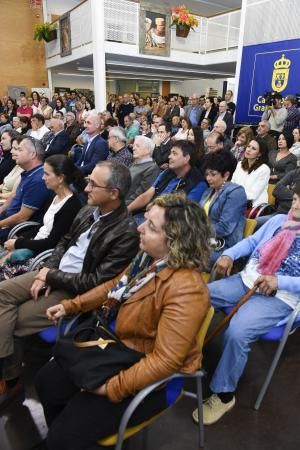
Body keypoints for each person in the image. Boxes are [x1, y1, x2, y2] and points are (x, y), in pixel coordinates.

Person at [35, 192, 211, 450]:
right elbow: (113, 286)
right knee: (46, 383)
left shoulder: (187, 290)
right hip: (116, 345)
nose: (140, 227)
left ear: (175, 242)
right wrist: (71, 306)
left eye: (150, 226)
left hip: (144, 370)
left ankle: (62, 440)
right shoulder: (148, 259)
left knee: (66, 434)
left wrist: (113, 388)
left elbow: (165, 361)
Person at [0, 160, 140, 406]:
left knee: (15, 320)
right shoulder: (89, 210)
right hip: (54, 274)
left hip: (73, 292)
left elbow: (95, 283)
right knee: (2, 295)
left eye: (93, 184)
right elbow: (64, 242)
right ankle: (10, 375)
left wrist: (52, 277)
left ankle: (11, 382)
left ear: (113, 193)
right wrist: (47, 271)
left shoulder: (126, 232)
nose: (86, 188)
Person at [193, 183, 300, 426]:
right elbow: (251, 244)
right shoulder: (279, 220)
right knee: (196, 295)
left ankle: (224, 394)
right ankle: (186, 351)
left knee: (238, 332)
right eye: (295, 198)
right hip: (246, 280)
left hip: (279, 298)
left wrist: (279, 280)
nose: (295, 205)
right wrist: (229, 254)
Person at [0, 155, 85, 278]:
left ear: (60, 178)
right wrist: (21, 238)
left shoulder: (72, 206)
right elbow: (42, 226)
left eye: (46, 174)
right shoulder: (54, 196)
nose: (43, 178)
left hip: (40, 256)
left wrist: (19, 243)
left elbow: (52, 242)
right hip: (32, 245)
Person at [128, 140, 207, 220]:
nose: (169, 156)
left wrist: (151, 217)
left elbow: (180, 215)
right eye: (170, 153)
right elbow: (147, 195)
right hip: (149, 214)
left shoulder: (197, 184)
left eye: (174, 153)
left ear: (186, 158)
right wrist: (127, 210)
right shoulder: (168, 172)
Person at [0, 136, 52, 243]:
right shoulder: (29, 172)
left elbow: (22, 217)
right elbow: (14, 196)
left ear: (32, 155)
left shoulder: (38, 179)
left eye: (20, 150)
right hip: (7, 221)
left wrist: (2, 223)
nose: (14, 153)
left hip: (16, 230)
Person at [199, 149, 247, 264]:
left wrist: (197, 230)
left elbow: (225, 227)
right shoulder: (208, 191)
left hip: (222, 246)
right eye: (207, 174)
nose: (208, 178)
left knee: (180, 252)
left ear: (226, 175)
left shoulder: (236, 192)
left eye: (213, 174)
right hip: (203, 239)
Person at [231, 137, 270, 208]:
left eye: (253, 148)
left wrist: (233, 194)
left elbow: (253, 195)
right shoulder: (240, 164)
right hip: (236, 201)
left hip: (254, 206)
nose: (249, 150)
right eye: (248, 146)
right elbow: (232, 184)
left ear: (259, 154)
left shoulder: (264, 169)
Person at [126, 135, 160, 205]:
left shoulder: (152, 169)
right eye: (134, 145)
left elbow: (140, 196)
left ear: (147, 150)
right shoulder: (135, 163)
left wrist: (119, 206)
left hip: (128, 207)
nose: (134, 148)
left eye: (137, 146)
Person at [0, 135, 23, 202]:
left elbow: (15, 195)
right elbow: (4, 184)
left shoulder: (25, 169)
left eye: (15, 149)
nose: (11, 151)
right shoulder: (17, 165)